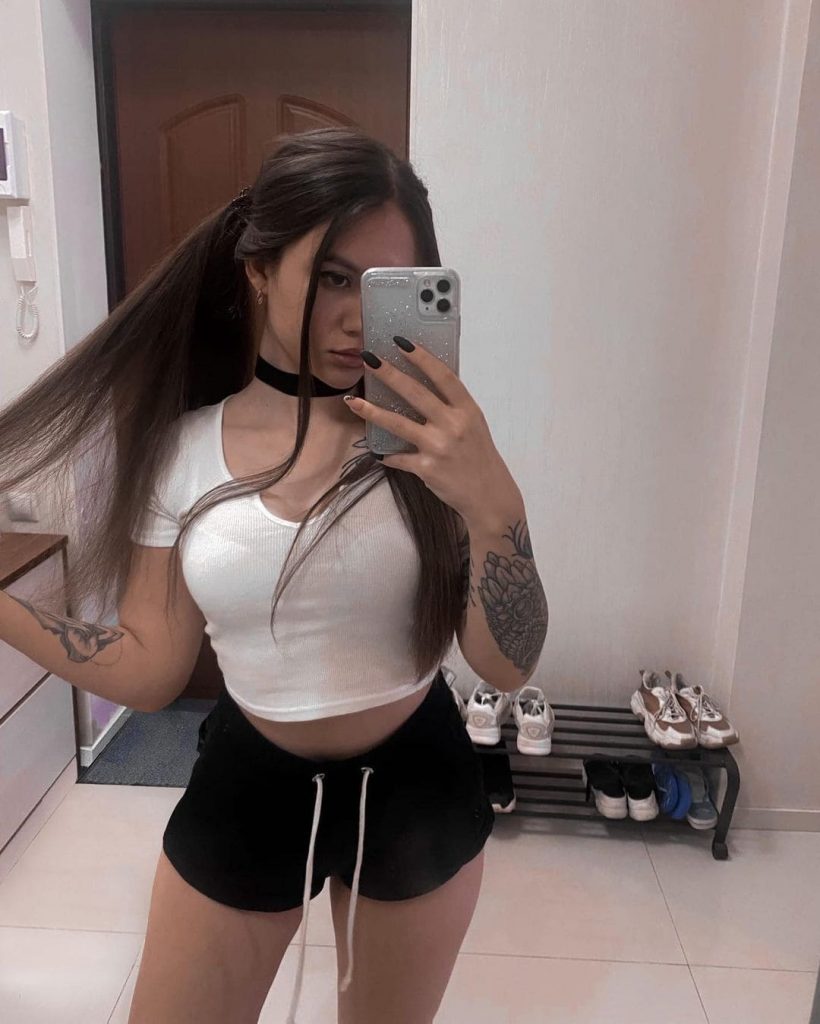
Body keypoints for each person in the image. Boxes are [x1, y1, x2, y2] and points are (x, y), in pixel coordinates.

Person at [0, 128, 548, 1023]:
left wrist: (494, 501)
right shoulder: (182, 452)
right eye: (333, 278)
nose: (357, 317)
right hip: (250, 783)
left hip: (417, 787)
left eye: (384, 285)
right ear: (258, 270)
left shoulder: (435, 450)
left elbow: (507, 665)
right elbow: (149, 667)